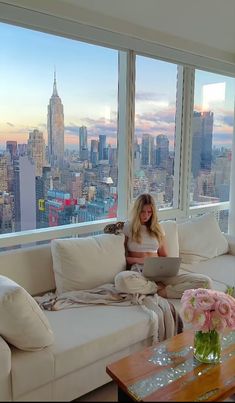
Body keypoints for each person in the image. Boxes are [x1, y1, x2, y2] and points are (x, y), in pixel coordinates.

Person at [121, 193, 213, 299]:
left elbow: (164, 256)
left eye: (149, 212)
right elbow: (124, 257)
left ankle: (164, 292)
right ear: (137, 211)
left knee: (206, 282)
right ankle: (156, 288)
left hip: (159, 271)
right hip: (139, 271)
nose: (146, 215)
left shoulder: (157, 229)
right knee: (121, 280)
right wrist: (143, 260)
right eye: (142, 211)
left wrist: (165, 266)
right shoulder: (128, 227)